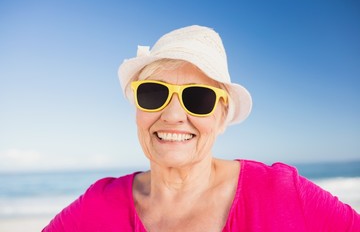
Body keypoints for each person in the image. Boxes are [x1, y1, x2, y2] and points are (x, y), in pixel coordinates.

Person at [43, 25, 360, 231]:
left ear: (222, 117)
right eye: (154, 93)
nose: (173, 115)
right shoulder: (99, 206)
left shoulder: (282, 193)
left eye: (199, 97)